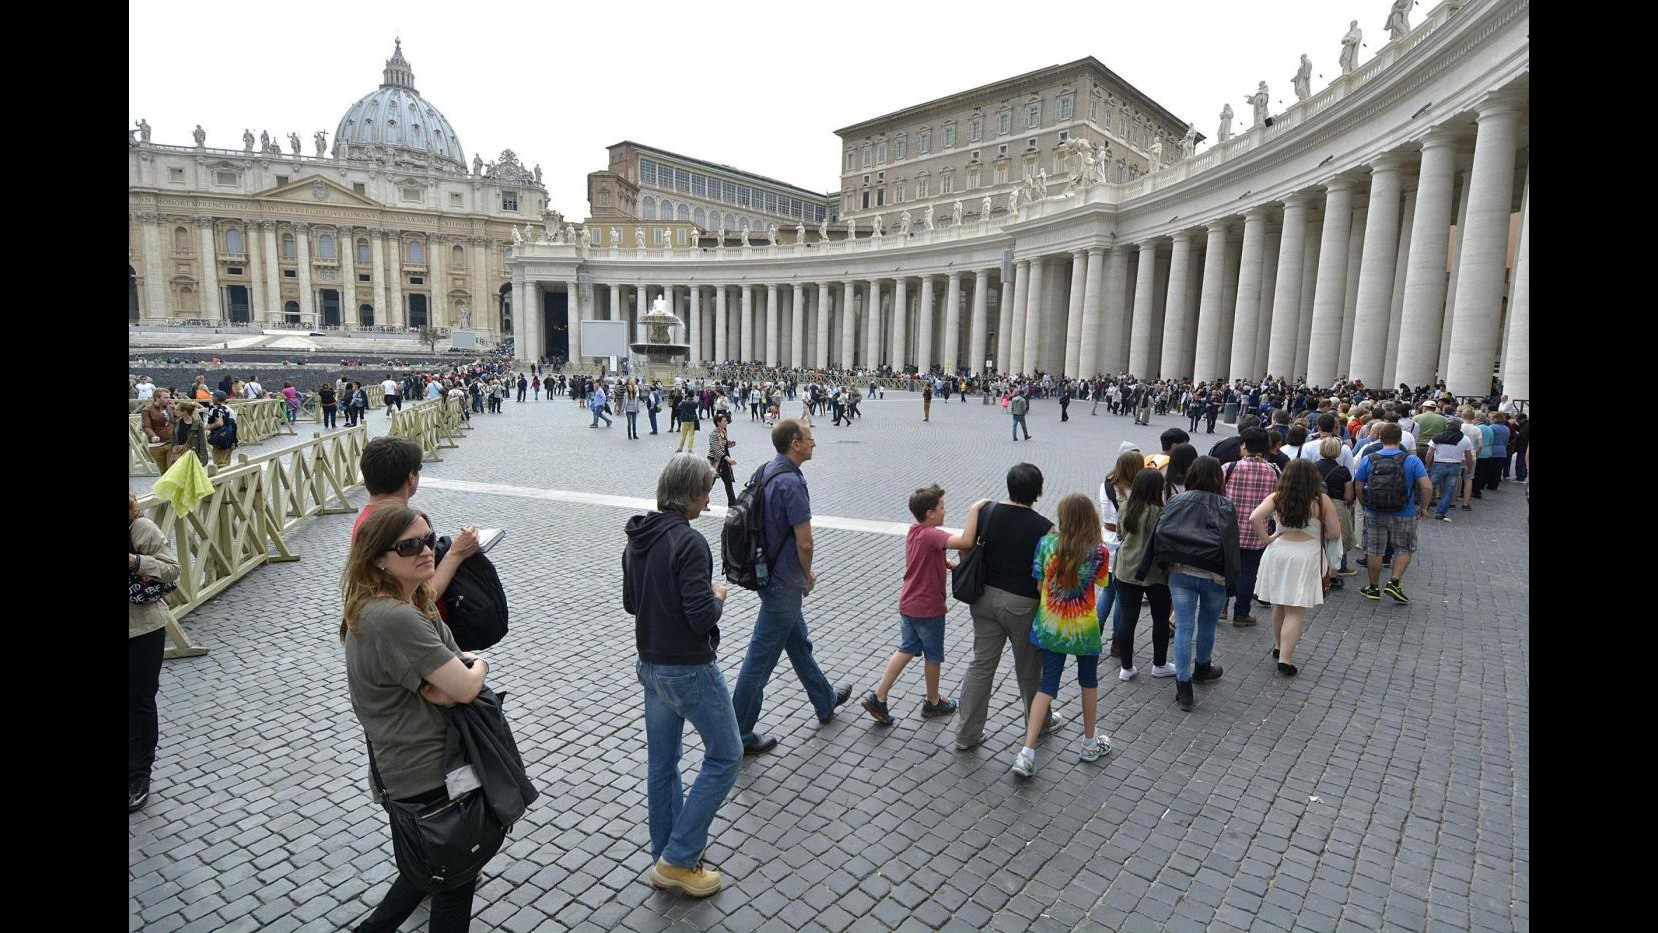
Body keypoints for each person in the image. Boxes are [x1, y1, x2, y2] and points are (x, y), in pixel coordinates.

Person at [342, 505, 494, 932]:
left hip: (407, 768)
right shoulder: (394, 617)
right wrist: (479, 664)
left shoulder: (402, 602)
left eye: (429, 539)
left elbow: (448, 683)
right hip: (427, 774)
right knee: (454, 882)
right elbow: (463, 687)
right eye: (409, 545)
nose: (426, 550)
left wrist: (456, 674)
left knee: (425, 870)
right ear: (378, 557)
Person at [623, 456, 738, 897]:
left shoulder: (638, 538)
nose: (709, 499)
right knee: (726, 755)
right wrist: (718, 596)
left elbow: (633, 603)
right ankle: (679, 857)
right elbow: (698, 616)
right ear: (690, 494)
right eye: (706, 491)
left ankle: (664, 854)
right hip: (688, 668)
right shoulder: (690, 544)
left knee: (663, 764)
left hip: (649, 665)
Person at [730, 420, 853, 755]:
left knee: (798, 644)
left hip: (765, 572)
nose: (815, 443)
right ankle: (737, 733)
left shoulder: (766, 470)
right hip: (784, 581)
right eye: (810, 439)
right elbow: (806, 543)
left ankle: (824, 700)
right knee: (759, 659)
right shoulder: (792, 483)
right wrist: (807, 575)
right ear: (795, 444)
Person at [860, 485, 989, 726]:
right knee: (933, 656)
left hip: (909, 603)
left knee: (907, 648)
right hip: (928, 608)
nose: (945, 511)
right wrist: (974, 509)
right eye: (941, 508)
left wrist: (943, 561)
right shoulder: (933, 535)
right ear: (930, 513)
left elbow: (923, 555)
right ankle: (932, 701)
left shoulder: (915, 530)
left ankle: (879, 696)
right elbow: (966, 541)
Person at [956, 463, 1059, 751]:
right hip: (1022, 604)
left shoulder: (986, 511)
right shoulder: (1045, 528)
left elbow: (965, 548)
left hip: (984, 597)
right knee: (1028, 668)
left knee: (981, 664)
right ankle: (1038, 725)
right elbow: (1048, 576)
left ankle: (967, 734)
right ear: (1038, 491)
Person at [1008, 492, 1111, 778]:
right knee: (1088, 681)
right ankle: (1089, 742)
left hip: (1051, 625)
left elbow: (1040, 586)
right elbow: (1102, 581)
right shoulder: (1098, 551)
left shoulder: (1047, 544)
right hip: (1084, 629)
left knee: (1047, 685)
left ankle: (1027, 752)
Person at [1146, 456, 1240, 712]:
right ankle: (1202, 666)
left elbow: (1161, 531)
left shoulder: (1177, 500)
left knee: (1184, 626)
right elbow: (1231, 544)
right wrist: (1233, 578)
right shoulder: (1224, 504)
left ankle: (1183, 686)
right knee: (1207, 623)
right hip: (1213, 573)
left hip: (1181, 570)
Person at [353, 436, 480, 603]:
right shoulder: (390, 526)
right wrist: (456, 554)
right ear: (411, 477)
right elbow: (421, 597)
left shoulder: (367, 519)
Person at [1249, 460, 1341, 676]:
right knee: (1295, 611)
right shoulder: (1322, 500)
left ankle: (1279, 646)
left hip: (1279, 551)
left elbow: (1254, 517)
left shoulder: (1278, 497)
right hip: (1306, 554)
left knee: (1279, 604)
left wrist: (1268, 539)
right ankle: (1285, 660)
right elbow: (1335, 533)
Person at [130, 492, 180, 812]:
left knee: (139, 702)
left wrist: (136, 562)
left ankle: (138, 775)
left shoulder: (142, 529)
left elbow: (172, 569)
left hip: (142, 631)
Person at [1353, 422, 1432, 603]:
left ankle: (1373, 587)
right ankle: (1394, 582)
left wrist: (1365, 503)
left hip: (1374, 511)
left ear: (1381, 438)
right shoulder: (1411, 460)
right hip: (1404, 511)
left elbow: (1358, 484)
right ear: (1399, 439)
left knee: (1374, 550)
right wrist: (1424, 507)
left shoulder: (1370, 458)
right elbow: (1426, 486)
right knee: (1404, 548)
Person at [1112, 469, 1176, 681]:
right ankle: (1159, 664)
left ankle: (1126, 666)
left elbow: (1120, 534)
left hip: (1126, 568)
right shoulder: (1162, 512)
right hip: (1155, 572)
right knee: (1159, 618)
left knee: (1128, 618)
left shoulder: (1125, 508)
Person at [1221, 429, 1280, 626]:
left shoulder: (1229, 468)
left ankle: (1221, 608)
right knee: (1248, 574)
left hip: (1228, 531)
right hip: (1257, 532)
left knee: (1223, 570)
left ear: (1244, 445)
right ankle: (1241, 613)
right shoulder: (1274, 471)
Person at [1098, 445, 1142, 656]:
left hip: (1106, 538)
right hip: (1125, 542)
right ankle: (1117, 640)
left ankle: (1094, 631)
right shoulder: (1133, 492)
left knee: (1107, 590)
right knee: (1120, 596)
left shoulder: (1105, 485)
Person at [1313, 437, 1359, 579]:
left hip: (1316, 504)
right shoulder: (1343, 471)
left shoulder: (1312, 467)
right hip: (1337, 506)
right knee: (1339, 537)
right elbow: (1348, 496)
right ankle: (1339, 567)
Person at [1425, 416, 1474, 522]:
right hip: (1455, 465)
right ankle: (1440, 513)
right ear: (1459, 426)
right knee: (1448, 490)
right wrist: (1470, 467)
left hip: (1439, 465)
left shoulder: (1438, 437)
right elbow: (1468, 456)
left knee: (1430, 487)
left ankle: (1424, 508)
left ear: (1447, 426)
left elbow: (1430, 453)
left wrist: (1427, 466)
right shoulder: (1465, 439)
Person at [141, 388, 175, 474]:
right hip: (157, 445)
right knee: (164, 472)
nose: (169, 399)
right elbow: (146, 426)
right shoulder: (147, 410)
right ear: (157, 398)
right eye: (166, 398)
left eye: (169, 397)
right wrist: (153, 436)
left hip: (171, 443)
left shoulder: (171, 407)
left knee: (172, 470)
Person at [707, 412, 737, 505]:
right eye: (724, 421)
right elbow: (716, 450)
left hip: (724, 463)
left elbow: (724, 444)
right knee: (710, 483)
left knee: (728, 483)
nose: (726, 422)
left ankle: (732, 503)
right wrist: (727, 458)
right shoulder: (713, 435)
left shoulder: (723, 432)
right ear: (718, 422)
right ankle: (703, 502)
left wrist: (730, 443)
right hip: (715, 462)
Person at [172, 400, 210, 466]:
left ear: (185, 412)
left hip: (193, 454)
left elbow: (202, 442)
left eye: (177, 409)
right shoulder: (176, 423)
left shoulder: (198, 424)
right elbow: (174, 440)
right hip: (180, 453)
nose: (175, 411)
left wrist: (203, 460)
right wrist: (172, 454)